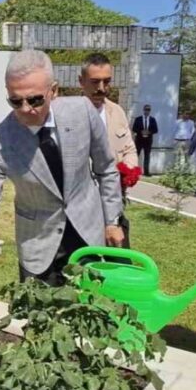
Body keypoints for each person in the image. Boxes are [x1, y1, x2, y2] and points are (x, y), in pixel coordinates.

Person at [0, 50, 124, 320]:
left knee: (90, 318)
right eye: (15, 101)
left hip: (88, 233)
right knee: (38, 325)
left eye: (35, 99)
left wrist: (112, 220)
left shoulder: (83, 111)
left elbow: (106, 169)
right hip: (38, 246)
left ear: (53, 90)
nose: (26, 109)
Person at [78, 53, 138, 248]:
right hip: (81, 206)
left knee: (118, 263)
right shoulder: (67, 114)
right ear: (81, 81)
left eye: (107, 81)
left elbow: (129, 148)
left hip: (113, 200)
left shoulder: (117, 112)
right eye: (95, 82)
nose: (101, 88)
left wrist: (129, 170)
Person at [132, 104, 159, 176]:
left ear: (150, 111)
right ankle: (133, 171)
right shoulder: (138, 119)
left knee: (147, 156)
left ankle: (146, 172)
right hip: (139, 140)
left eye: (148, 110)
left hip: (148, 140)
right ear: (143, 110)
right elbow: (134, 128)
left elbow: (156, 130)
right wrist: (141, 131)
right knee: (136, 155)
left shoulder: (152, 119)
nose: (147, 111)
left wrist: (149, 132)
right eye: (146, 109)